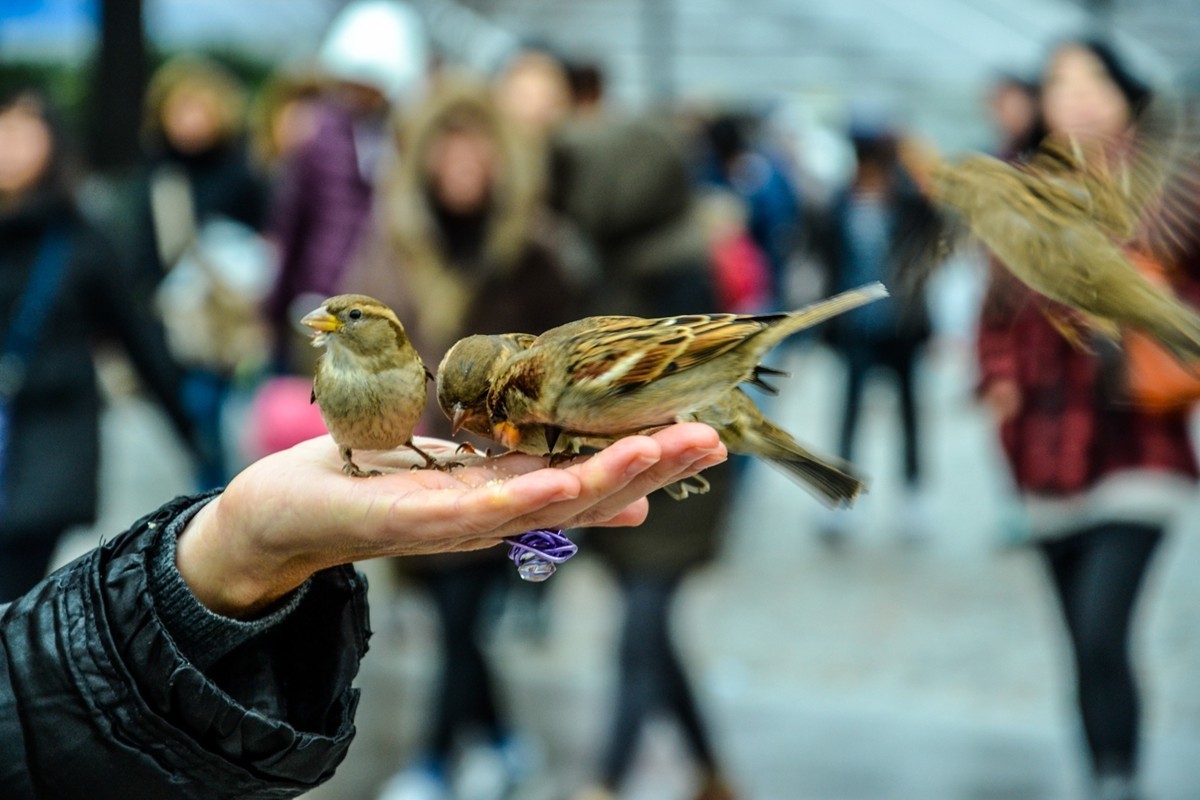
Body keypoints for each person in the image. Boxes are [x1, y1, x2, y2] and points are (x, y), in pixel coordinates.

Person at [0, 423, 727, 799]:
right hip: (438, 489)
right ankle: (456, 755)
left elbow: (26, 711)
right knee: (458, 631)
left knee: (476, 627)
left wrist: (215, 564)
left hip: (482, 488)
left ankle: (472, 752)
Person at [341, 78, 591, 800]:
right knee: (458, 624)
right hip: (416, 459)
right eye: (447, 145)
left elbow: (562, 363)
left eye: (475, 145)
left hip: (504, 464)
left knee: (460, 618)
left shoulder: (533, 249)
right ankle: (504, 742)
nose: (462, 161)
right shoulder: (395, 244)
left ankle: (432, 761)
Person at [975, 39, 1199, 800]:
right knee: (1080, 640)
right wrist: (998, 378)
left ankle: (1120, 781)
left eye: (1091, 77)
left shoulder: (1171, 187)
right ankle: (1103, 775)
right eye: (1058, 82)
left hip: (1141, 442)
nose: (1074, 94)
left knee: (1104, 628)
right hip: (1044, 444)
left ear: (1124, 91)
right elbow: (994, 314)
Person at [0, 87, 199, 601]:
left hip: (49, 445)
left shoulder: (82, 239)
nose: (11, 146)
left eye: (26, 132)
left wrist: (187, 425)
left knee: (13, 589)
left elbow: (135, 337)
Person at [264, 0, 428, 375]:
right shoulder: (320, 139)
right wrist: (276, 307)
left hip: (388, 306)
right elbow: (292, 225)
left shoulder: (408, 139)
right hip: (323, 296)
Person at [136, 56, 271, 487]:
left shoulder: (242, 170)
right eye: (180, 109)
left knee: (245, 417)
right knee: (199, 412)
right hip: (184, 324)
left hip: (238, 316)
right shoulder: (157, 173)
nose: (189, 120)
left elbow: (268, 237)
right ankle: (212, 495)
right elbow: (143, 255)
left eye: (199, 108)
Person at [808, 119, 942, 542]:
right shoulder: (840, 203)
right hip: (856, 325)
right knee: (848, 410)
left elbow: (936, 244)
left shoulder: (910, 203)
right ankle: (844, 497)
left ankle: (913, 495)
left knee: (909, 412)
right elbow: (825, 257)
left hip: (902, 325)